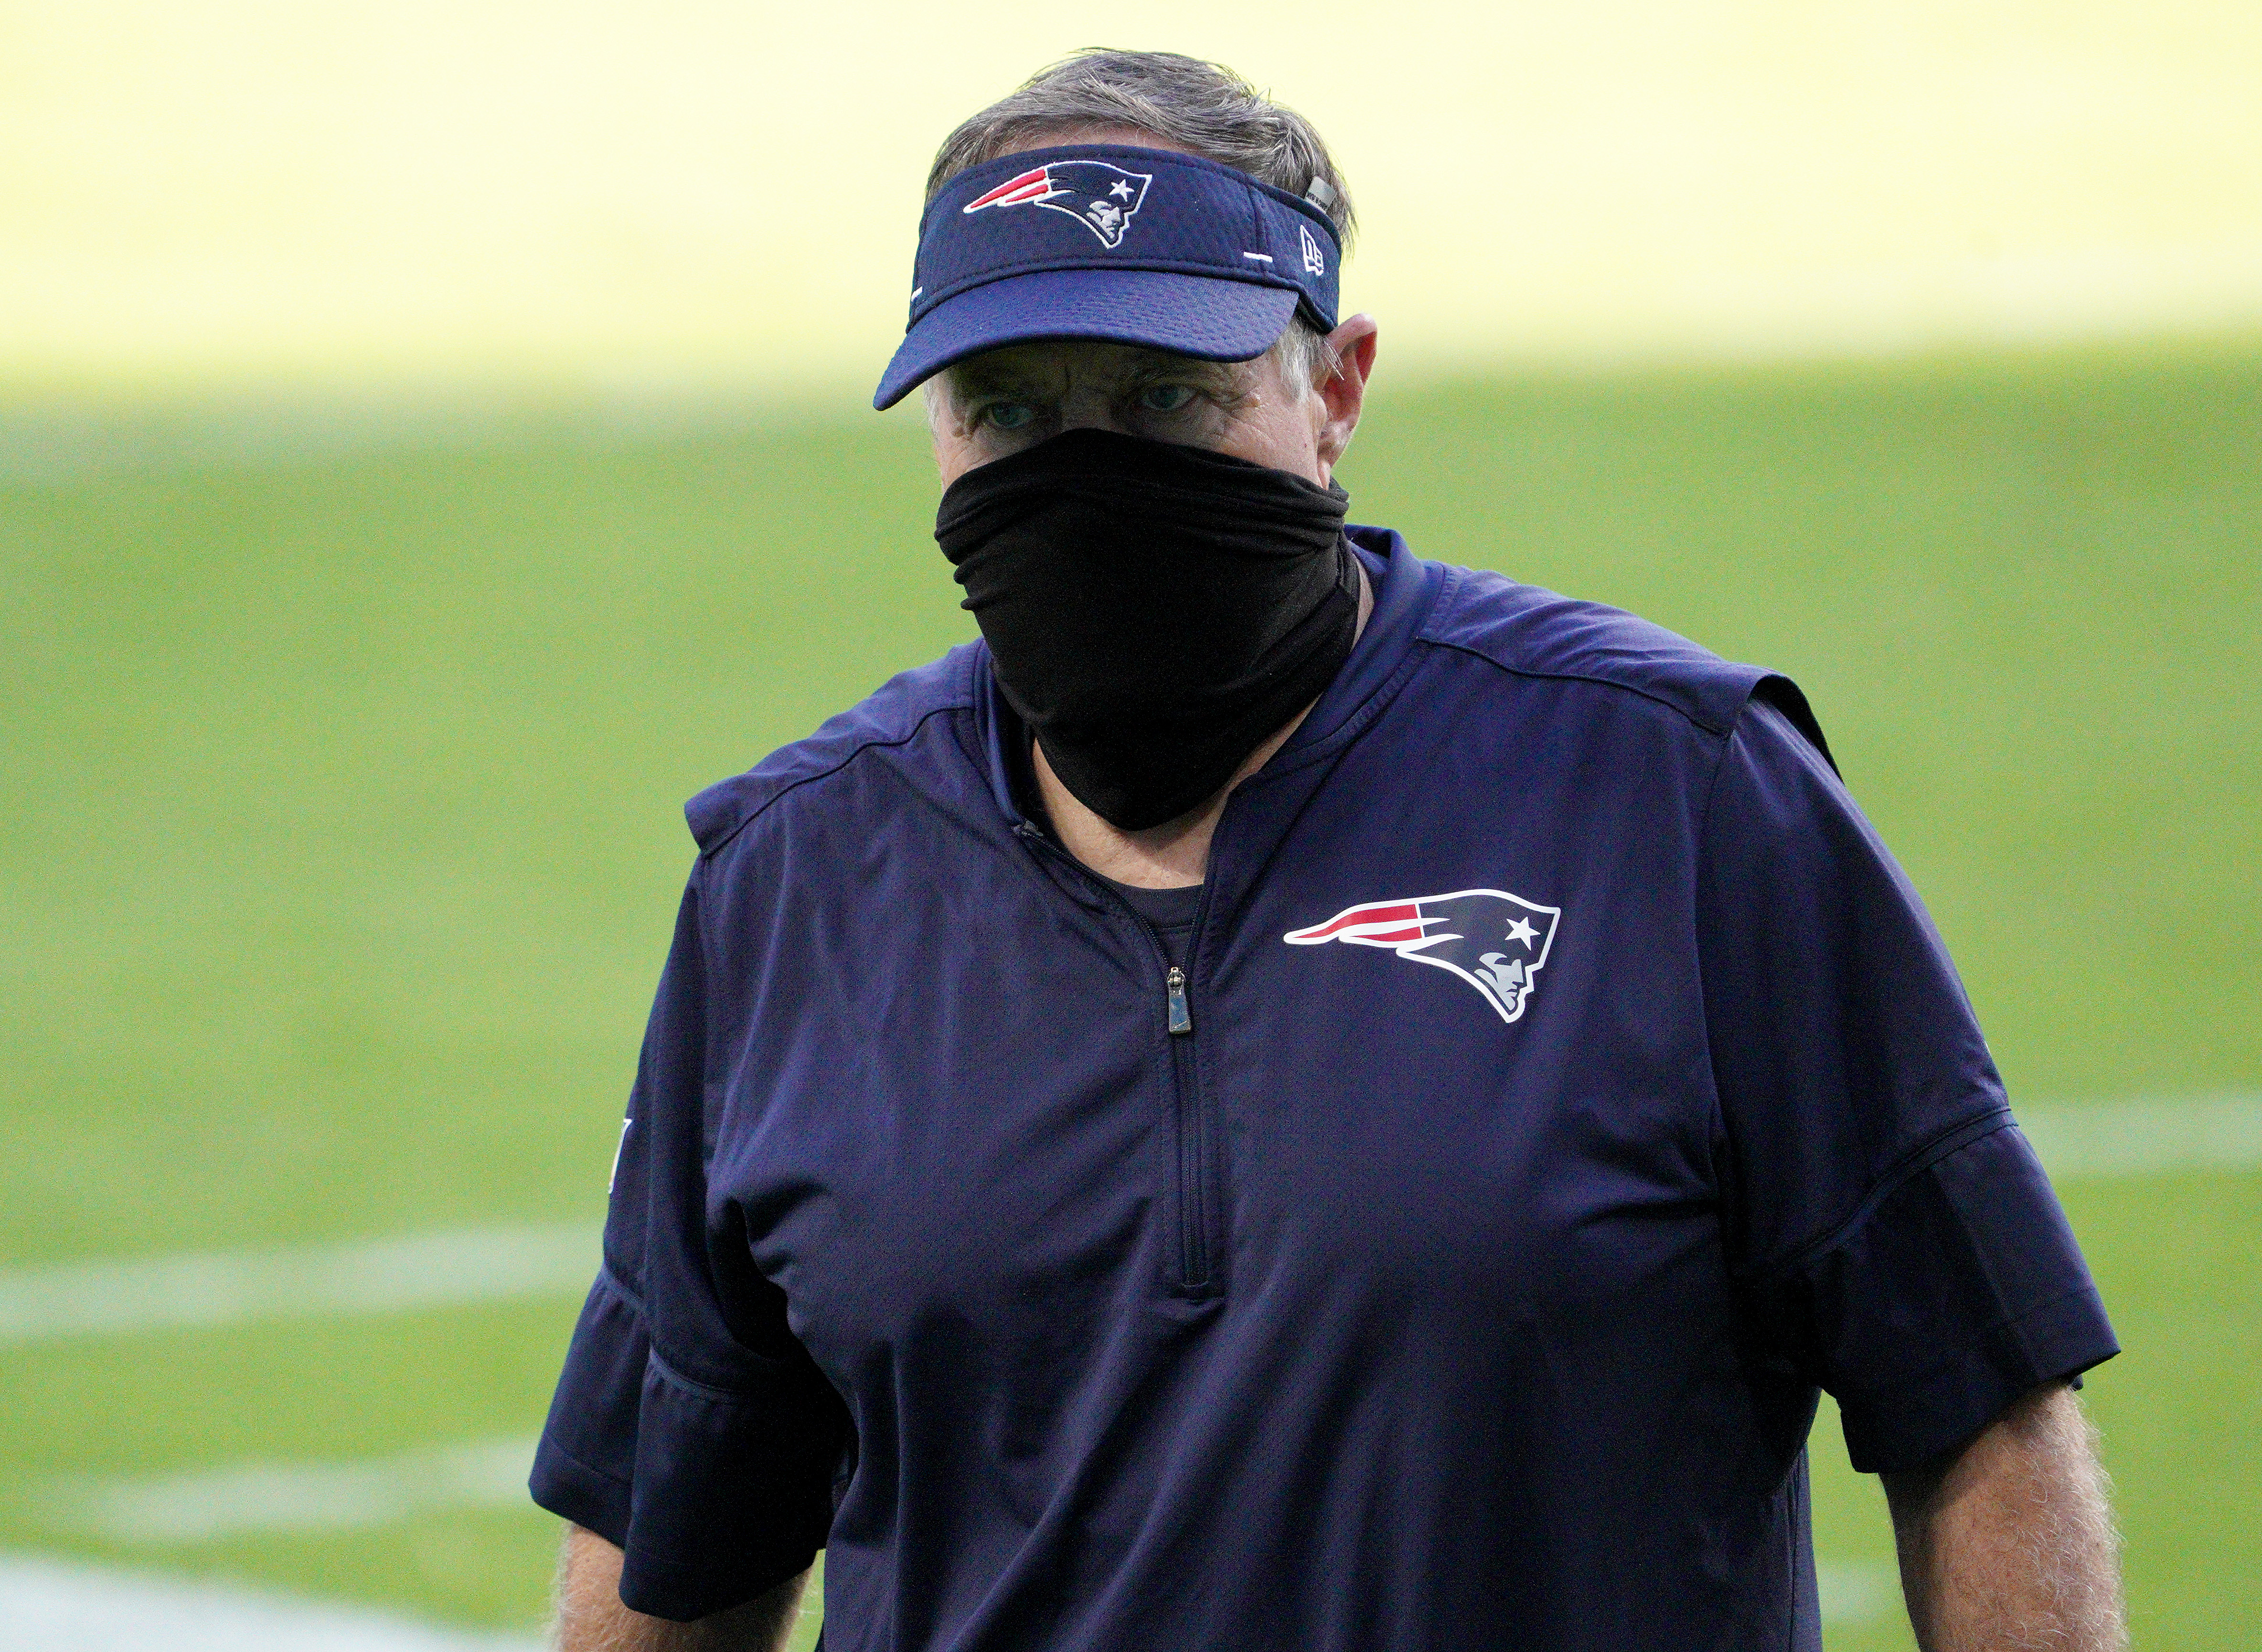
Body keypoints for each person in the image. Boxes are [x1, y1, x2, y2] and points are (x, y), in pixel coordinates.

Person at [532, 50, 2126, 1652]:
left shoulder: (1676, 794)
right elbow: (677, 1530)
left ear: (1337, 387)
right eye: (1010, 411)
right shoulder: (797, 881)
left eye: (1166, 396)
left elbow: (1980, 1413)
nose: (1088, 474)